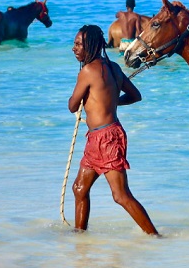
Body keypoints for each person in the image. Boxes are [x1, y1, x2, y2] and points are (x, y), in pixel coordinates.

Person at [68, 24, 158, 236]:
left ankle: (155, 237)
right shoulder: (115, 68)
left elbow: (72, 105)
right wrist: (110, 103)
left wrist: (96, 103)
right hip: (100, 137)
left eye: (79, 44)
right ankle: (79, 238)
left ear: (90, 46)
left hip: (106, 139)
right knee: (79, 188)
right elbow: (135, 96)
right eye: (74, 44)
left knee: (120, 195)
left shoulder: (88, 71)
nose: (74, 48)